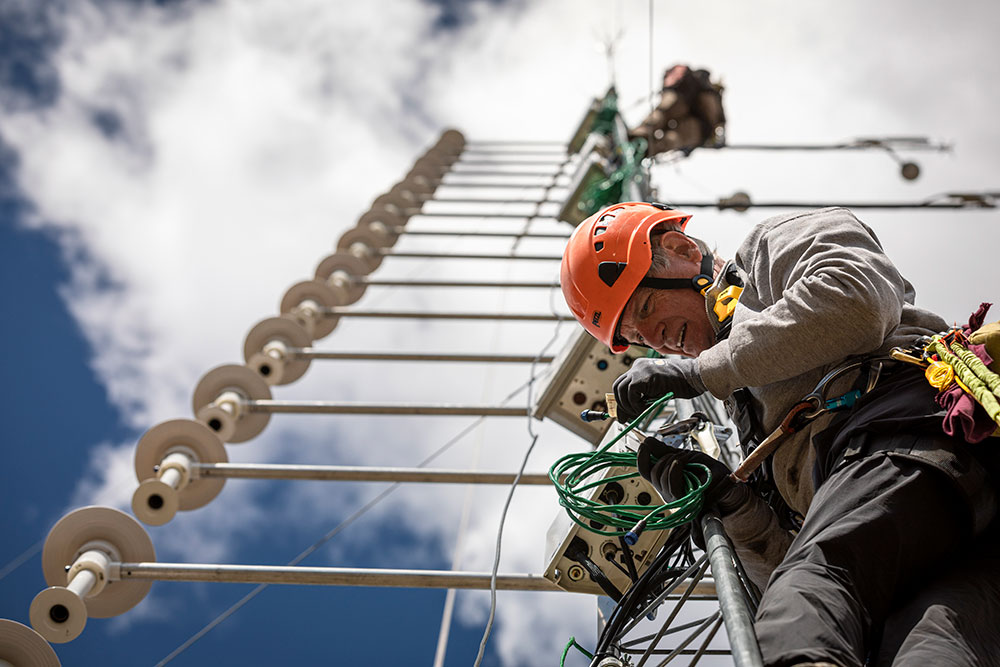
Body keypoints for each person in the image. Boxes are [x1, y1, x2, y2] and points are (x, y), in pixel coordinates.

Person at [559, 201, 1000, 667]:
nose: (658, 338)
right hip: (934, 521)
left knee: (808, 602)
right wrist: (734, 509)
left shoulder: (771, 250)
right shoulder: (748, 412)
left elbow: (857, 301)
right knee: (932, 650)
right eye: (642, 338)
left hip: (909, 433)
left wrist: (699, 374)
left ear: (682, 249)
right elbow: (784, 568)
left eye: (646, 307)